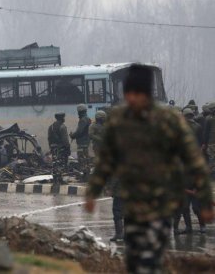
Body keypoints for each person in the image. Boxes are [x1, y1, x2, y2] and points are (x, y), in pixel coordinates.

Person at [85, 64, 214, 273]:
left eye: (138, 93)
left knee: (156, 247)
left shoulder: (169, 119)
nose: (133, 99)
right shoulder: (118, 119)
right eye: (130, 94)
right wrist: (93, 191)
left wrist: (206, 198)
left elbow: (193, 159)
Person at [48, 113, 71, 185]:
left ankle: (55, 179)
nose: (64, 119)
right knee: (61, 164)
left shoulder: (50, 127)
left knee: (55, 163)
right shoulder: (62, 127)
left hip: (53, 148)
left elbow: (49, 138)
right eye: (63, 117)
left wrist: (51, 148)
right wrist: (68, 149)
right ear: (61, 118)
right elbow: (65, 140)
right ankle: (60, 179)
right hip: (61, 148)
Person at [70, 104, 91, 175]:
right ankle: (87, 174)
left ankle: (85, 175)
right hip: (85, 142)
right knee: (85, 159)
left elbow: (79, 131)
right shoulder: (87, 119)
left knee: (82, 159)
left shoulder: (83, 120)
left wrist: (72, 135)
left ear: (79, 112)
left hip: (82, 143)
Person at [203, 102, 215, 176]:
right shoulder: (208, 118)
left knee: (211, 158)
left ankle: (212, 174)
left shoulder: (208, 118)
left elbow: (206, 132)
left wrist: (204, 143)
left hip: (211, 142)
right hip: (211, 142)